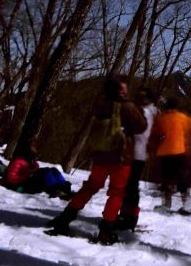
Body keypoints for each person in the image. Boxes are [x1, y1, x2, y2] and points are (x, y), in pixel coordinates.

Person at [48, 75, 147, 245]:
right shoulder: (128, 106)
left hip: (101, 156)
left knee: (90, 187)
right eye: (124, 87)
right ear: (120, 90)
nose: (126, 89)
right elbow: (141, 126)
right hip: (121, 158)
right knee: (116, 192)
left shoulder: (102, 105)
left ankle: (64, 219)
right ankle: (106, 230)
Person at [116, 86, 159, 231]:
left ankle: (129, 217)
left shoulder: (145, 111)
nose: (140, 98)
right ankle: (128, 215)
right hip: (140, 153)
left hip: (135, 153)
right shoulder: (155, 112)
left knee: (130, 186)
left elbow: (141, 132)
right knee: (131, 186)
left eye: (142, 96)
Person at [149, 95, 191, 213]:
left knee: (166, 179)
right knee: (182, 179)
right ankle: (187, 205)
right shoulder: (183, 118)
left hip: (165, 153)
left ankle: (166, 205)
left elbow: (155, 132)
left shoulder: (161, 118)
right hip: (180, 151)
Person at [4, 139, 72, 199]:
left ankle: (65, 189)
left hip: (32, 182)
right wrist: (27, 176)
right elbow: (11, 178)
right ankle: (56, 190)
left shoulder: (33, 162)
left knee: (53, 170)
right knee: (45, 171)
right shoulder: (18, 161)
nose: (36, 151)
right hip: (20, 185)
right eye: (33, 148)